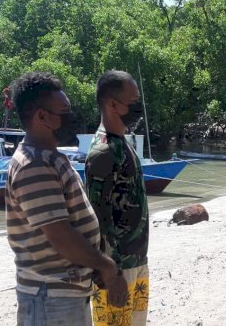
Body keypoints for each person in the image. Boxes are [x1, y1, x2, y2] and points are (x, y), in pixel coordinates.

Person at [6, 72, 128, 326]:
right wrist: (106, 267)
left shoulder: (49, 158)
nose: (71, 118)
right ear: (42, 116)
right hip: (51, 297)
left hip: (62, 293)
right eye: (64, 111)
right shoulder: (35, 165)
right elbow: (59, 235)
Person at [85, 70, 149, 326]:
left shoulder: (122, 143)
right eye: (133, 102)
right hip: (117, 273)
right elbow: (98, 221)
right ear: (113, 104)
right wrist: (112, 275)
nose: (138, 107)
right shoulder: (103, 152)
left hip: (137, 262)